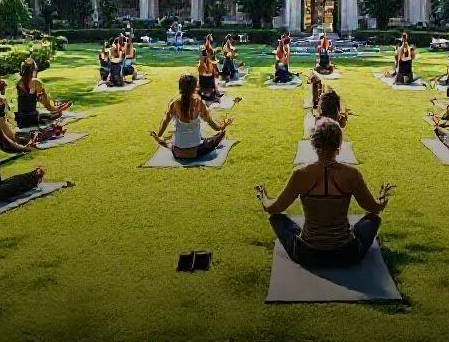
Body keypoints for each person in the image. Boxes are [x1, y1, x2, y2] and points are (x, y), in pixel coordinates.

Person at [256, 118, 393, 268]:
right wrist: (382, 198)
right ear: (338, 144)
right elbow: (374, 208)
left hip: (307, 254)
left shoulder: (301, 174)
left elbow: (273, 208)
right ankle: (343, 236)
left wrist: (264, 198)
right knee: (373, 219)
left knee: (277, 219)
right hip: (346, 254)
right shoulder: (351, 174)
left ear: (314, 143)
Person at [150, 74, 234, 159]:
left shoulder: (174, 103)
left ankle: (162, 142)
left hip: (176, 152)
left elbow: (165, 120)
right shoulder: (199, 103)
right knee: (219, 135)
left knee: (173, 143)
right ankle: (164, 142)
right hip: (195, 151)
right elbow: (213, 126)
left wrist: (159, 134)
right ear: (194, 88)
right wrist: (224, 125)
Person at [0, 79, 65, 143]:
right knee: (31, 135)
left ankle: (54, 124)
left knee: (45, 121)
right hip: (17, 121)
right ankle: (52, 128)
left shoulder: (3, 98)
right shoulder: (0, 100)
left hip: (18, 120)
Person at [15, 58, 70, 128]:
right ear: (34, 70)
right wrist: (57, 109)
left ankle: (56, 109)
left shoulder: (19, 82)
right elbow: (47, 105)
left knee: (44, 112)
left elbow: (29, 99)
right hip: (32, 119)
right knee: (58, 114)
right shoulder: (36, 82)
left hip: (21, 119)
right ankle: (58, 110)